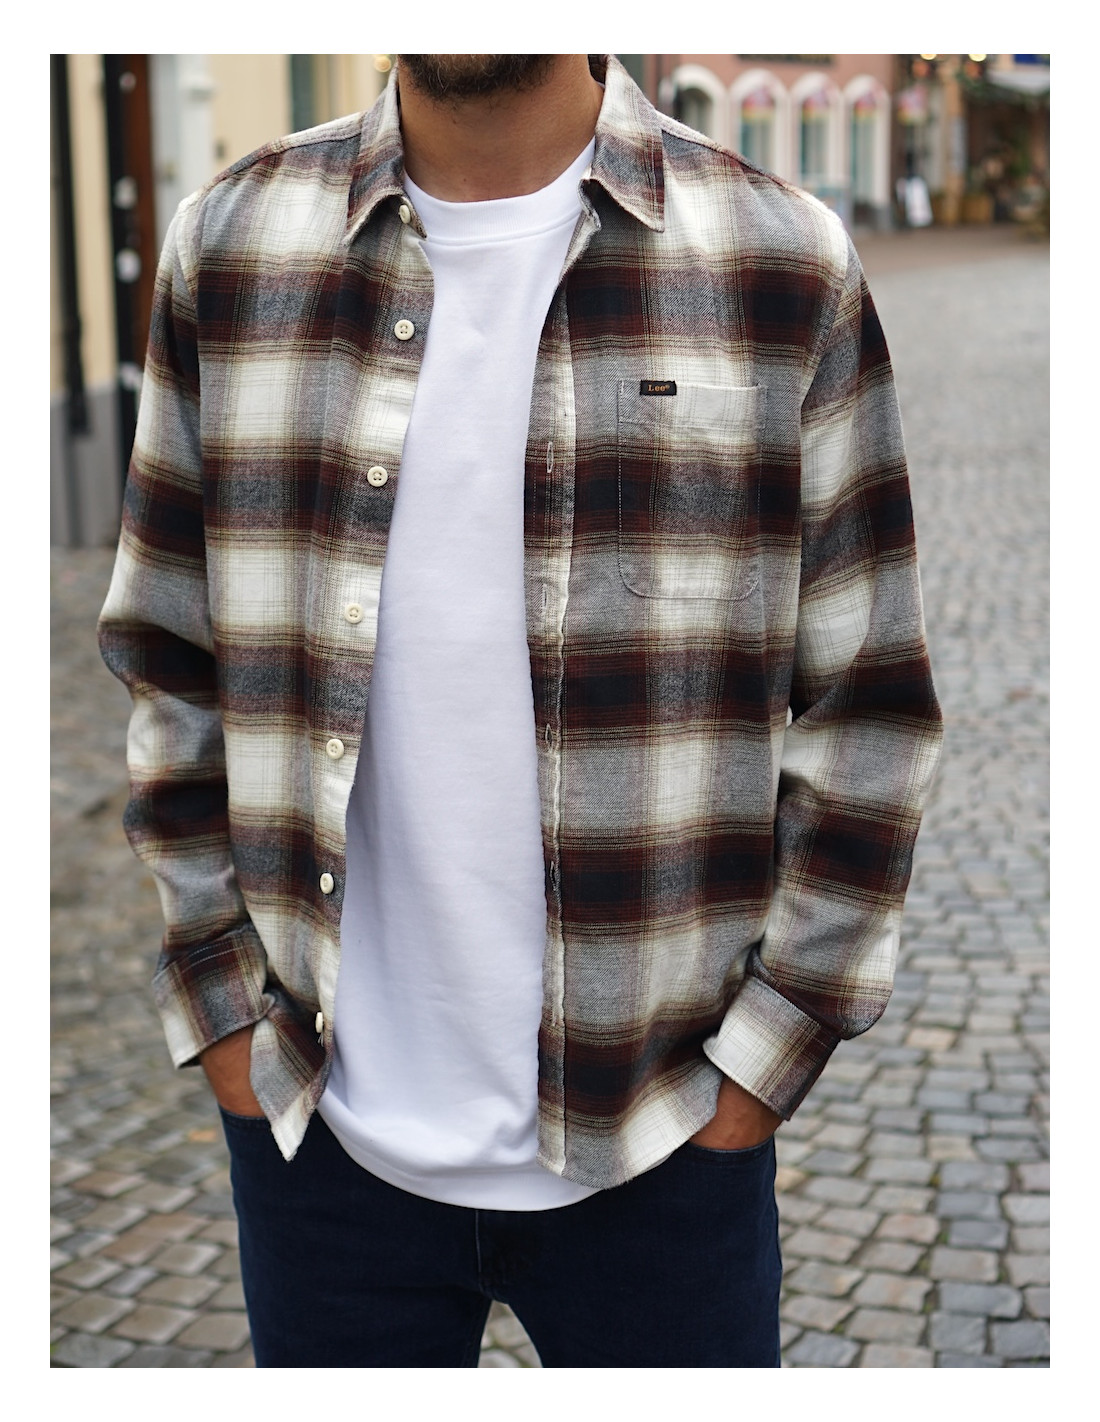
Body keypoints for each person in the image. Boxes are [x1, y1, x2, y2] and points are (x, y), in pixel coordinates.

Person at [98, 53, 942, 1368]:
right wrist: (222, 1016)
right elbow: (171, 654)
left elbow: (870, 703)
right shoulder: (232, 250)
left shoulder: (781, 262)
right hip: (325, 1146)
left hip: (665, 1139)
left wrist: (759, 1069)